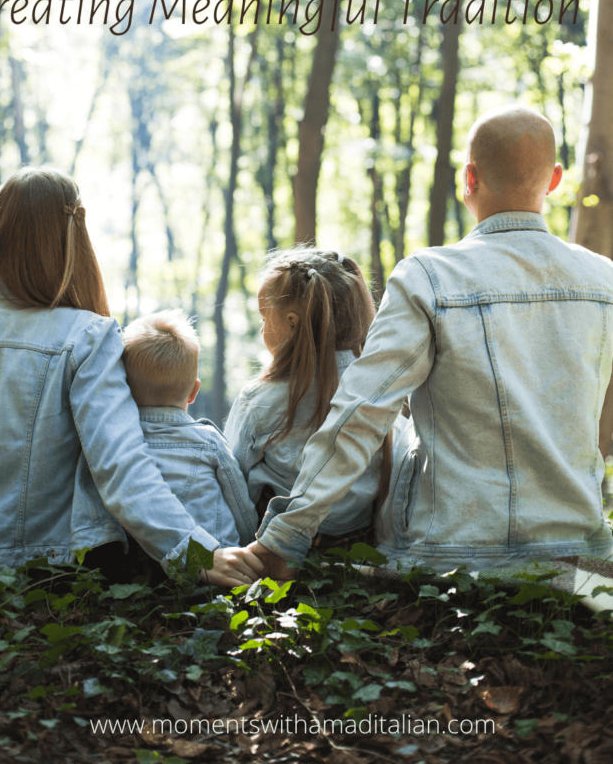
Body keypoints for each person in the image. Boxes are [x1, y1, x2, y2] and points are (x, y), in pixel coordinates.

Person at [249, 106, 613, 578]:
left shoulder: (429, 277)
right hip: (579, 558)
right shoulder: (603, 280)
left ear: (469, 178)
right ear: (555, 180)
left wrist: (286, 536)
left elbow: (361, 412)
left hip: (448, 556)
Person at [0, 167, 263, 588]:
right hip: (66, 573)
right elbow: (121, 465)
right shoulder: (87, 335)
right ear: (73, 237)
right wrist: (196, 553)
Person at [225, 247, 395, 548]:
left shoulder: (260, 399)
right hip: (357, 542)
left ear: (292, 322)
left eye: (265, 319)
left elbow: (233, 482)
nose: (262, 329)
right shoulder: (379, 387)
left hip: (280, 546)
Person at [121, 309, 259, 557]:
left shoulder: (117, 444)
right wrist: (248, 543)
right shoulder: (208, 441)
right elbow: (240, 506)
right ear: (194, 391)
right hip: (216, 567)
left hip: (145, 572)